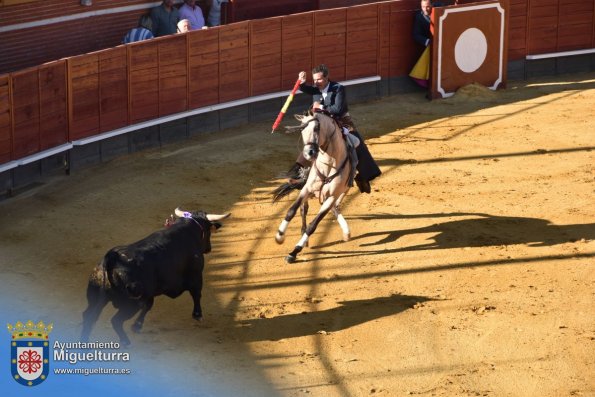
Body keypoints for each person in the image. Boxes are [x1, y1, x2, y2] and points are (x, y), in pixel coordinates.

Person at [288, 64, 381, 194]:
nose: (316, 82)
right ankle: (298, 171)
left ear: (327, 78)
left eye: (319, 79)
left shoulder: (338, 88)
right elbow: (307, 89)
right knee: (311, 141)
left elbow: (338, 109)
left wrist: (320, 109)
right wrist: (302, 83)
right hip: (322, 121)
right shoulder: (316, 88)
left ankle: (363, 176)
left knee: (357, 143)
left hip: (341, 120)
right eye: (314, 80)